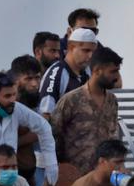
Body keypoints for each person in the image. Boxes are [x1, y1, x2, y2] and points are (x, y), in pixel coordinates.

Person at [50, 46, 123, 174]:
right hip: (74, 179)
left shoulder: (112, 101)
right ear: (97, 70)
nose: (117, 77)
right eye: (113, 71)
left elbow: (113, 140)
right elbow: (53, 136)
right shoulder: (71, 100)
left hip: (104, 178)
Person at [39, 28, 97, 118]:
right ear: (71, 47)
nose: (90, 56)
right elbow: (45, 115)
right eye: (86, 50)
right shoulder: (56, 73)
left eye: (92, 51)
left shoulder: (87, 71)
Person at [63, 139, 127, 186]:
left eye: (123, 162)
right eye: (117, 162)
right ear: (102, 161)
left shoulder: (115, 182)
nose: (122, 168)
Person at [9, 55, 43, 186]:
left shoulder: (31, 102)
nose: (34, 83)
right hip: (10, 177)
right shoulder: (7, 106)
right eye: (28, 79)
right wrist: (36, 134)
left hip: (29, 175)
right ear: (16, 80)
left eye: (37, 77)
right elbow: (3, 143)